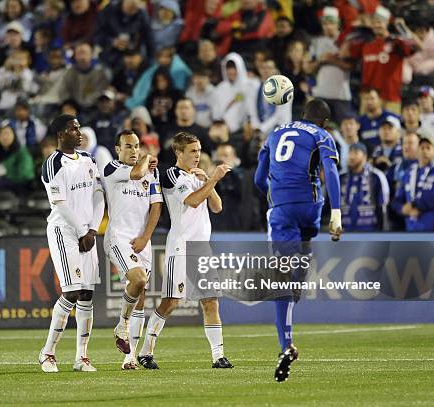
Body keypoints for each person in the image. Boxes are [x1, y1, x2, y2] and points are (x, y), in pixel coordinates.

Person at [254, 99, 342, 382]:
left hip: (281, 206)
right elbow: (330, 171)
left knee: (280, 275)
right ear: (324, 121)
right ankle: (298, 282)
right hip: (310, 204)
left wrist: (275, 194)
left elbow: (258, 178)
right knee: (304, 245)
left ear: (303, 115)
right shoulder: (321, 135)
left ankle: (286, 345)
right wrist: (336, 213)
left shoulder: (275, 132)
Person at [137, 132, 233, 370]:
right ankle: (146, 351)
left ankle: (218, 356)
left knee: (210, 301)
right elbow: (191, 201)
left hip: (202, 247)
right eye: (192, 151)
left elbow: (218, 207)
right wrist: (213, 180)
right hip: (181, 246)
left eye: (199, 150)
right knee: (170, 302)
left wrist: (207, 182)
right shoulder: (172, 174)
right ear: (178, 153)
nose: (197, 155)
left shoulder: (198, 176)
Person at [38, 114, 105, 373]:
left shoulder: (88, 159)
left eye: (78, 128)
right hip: (64, 231)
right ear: (60, 134)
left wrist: (92, 230)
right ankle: (47, 353)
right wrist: (81, 231)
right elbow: (60, 204)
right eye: (73, 129)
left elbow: (99, 195)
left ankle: (81, 358)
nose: (79, 132)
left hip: (88, 233)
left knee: (87, 295)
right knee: (72, 292)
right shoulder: (53, 164)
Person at [102, 130, 162, 370]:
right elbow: (137, 172)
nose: (134, 151)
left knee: (140, 296)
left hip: (141, 241)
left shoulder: (152, 173)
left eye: (137, 146)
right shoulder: (111, 169)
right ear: (118, 149)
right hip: (119, 238)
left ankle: (130, 358)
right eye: (128, 146)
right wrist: (148, 158)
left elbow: (156, 207)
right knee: (137, 280)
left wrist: (146, 237)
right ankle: (121, 325)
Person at [340, 143, 389, 231]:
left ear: (365, 156)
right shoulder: (341, 177)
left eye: (355, 153)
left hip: (370, 231)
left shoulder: (376, 176)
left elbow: (383, 207)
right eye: (350, 153)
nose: (351, 156)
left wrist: (382, 234)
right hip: (345, 232)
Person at [392, 137, 434, 231]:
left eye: (428, 148)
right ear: (417, 151)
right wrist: (402, 209)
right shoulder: (408, 173)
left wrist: (416, 205)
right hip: (411, 227)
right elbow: (397, 200)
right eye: (421, 148)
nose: (424, 151)